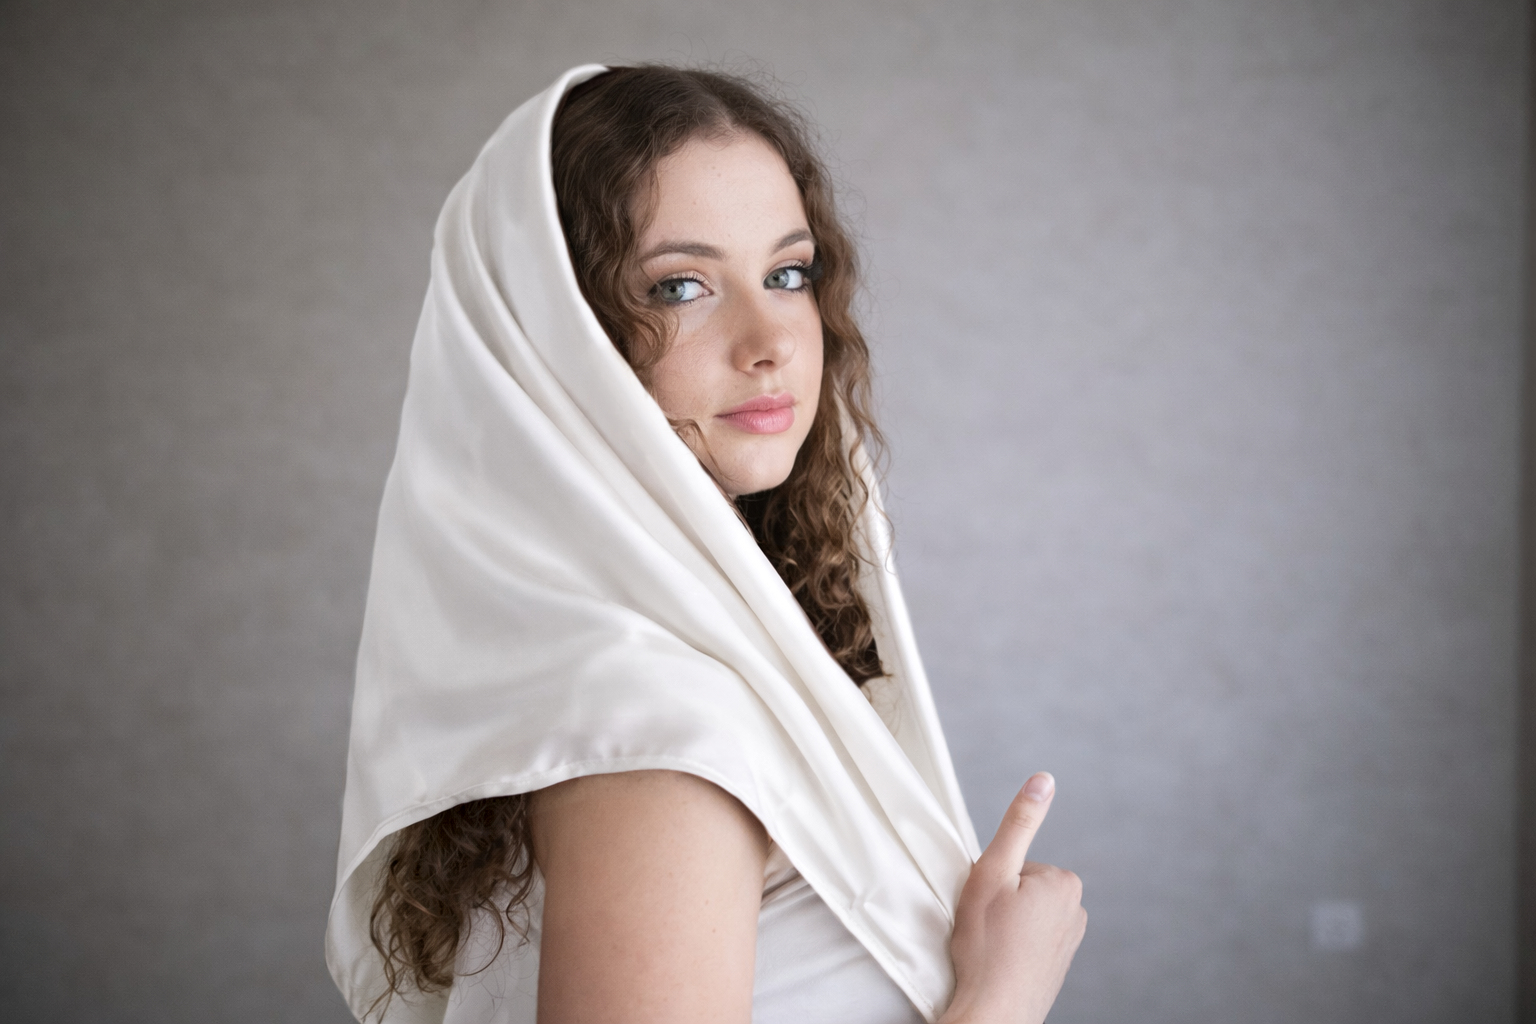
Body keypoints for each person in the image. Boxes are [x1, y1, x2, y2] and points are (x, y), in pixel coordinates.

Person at [325, 64, 1086, 1024]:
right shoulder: (662, 734)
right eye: (681, 286)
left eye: (788, 274)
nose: (772, 339)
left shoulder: (635, 674)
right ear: (554, 338)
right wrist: (1005, 998)